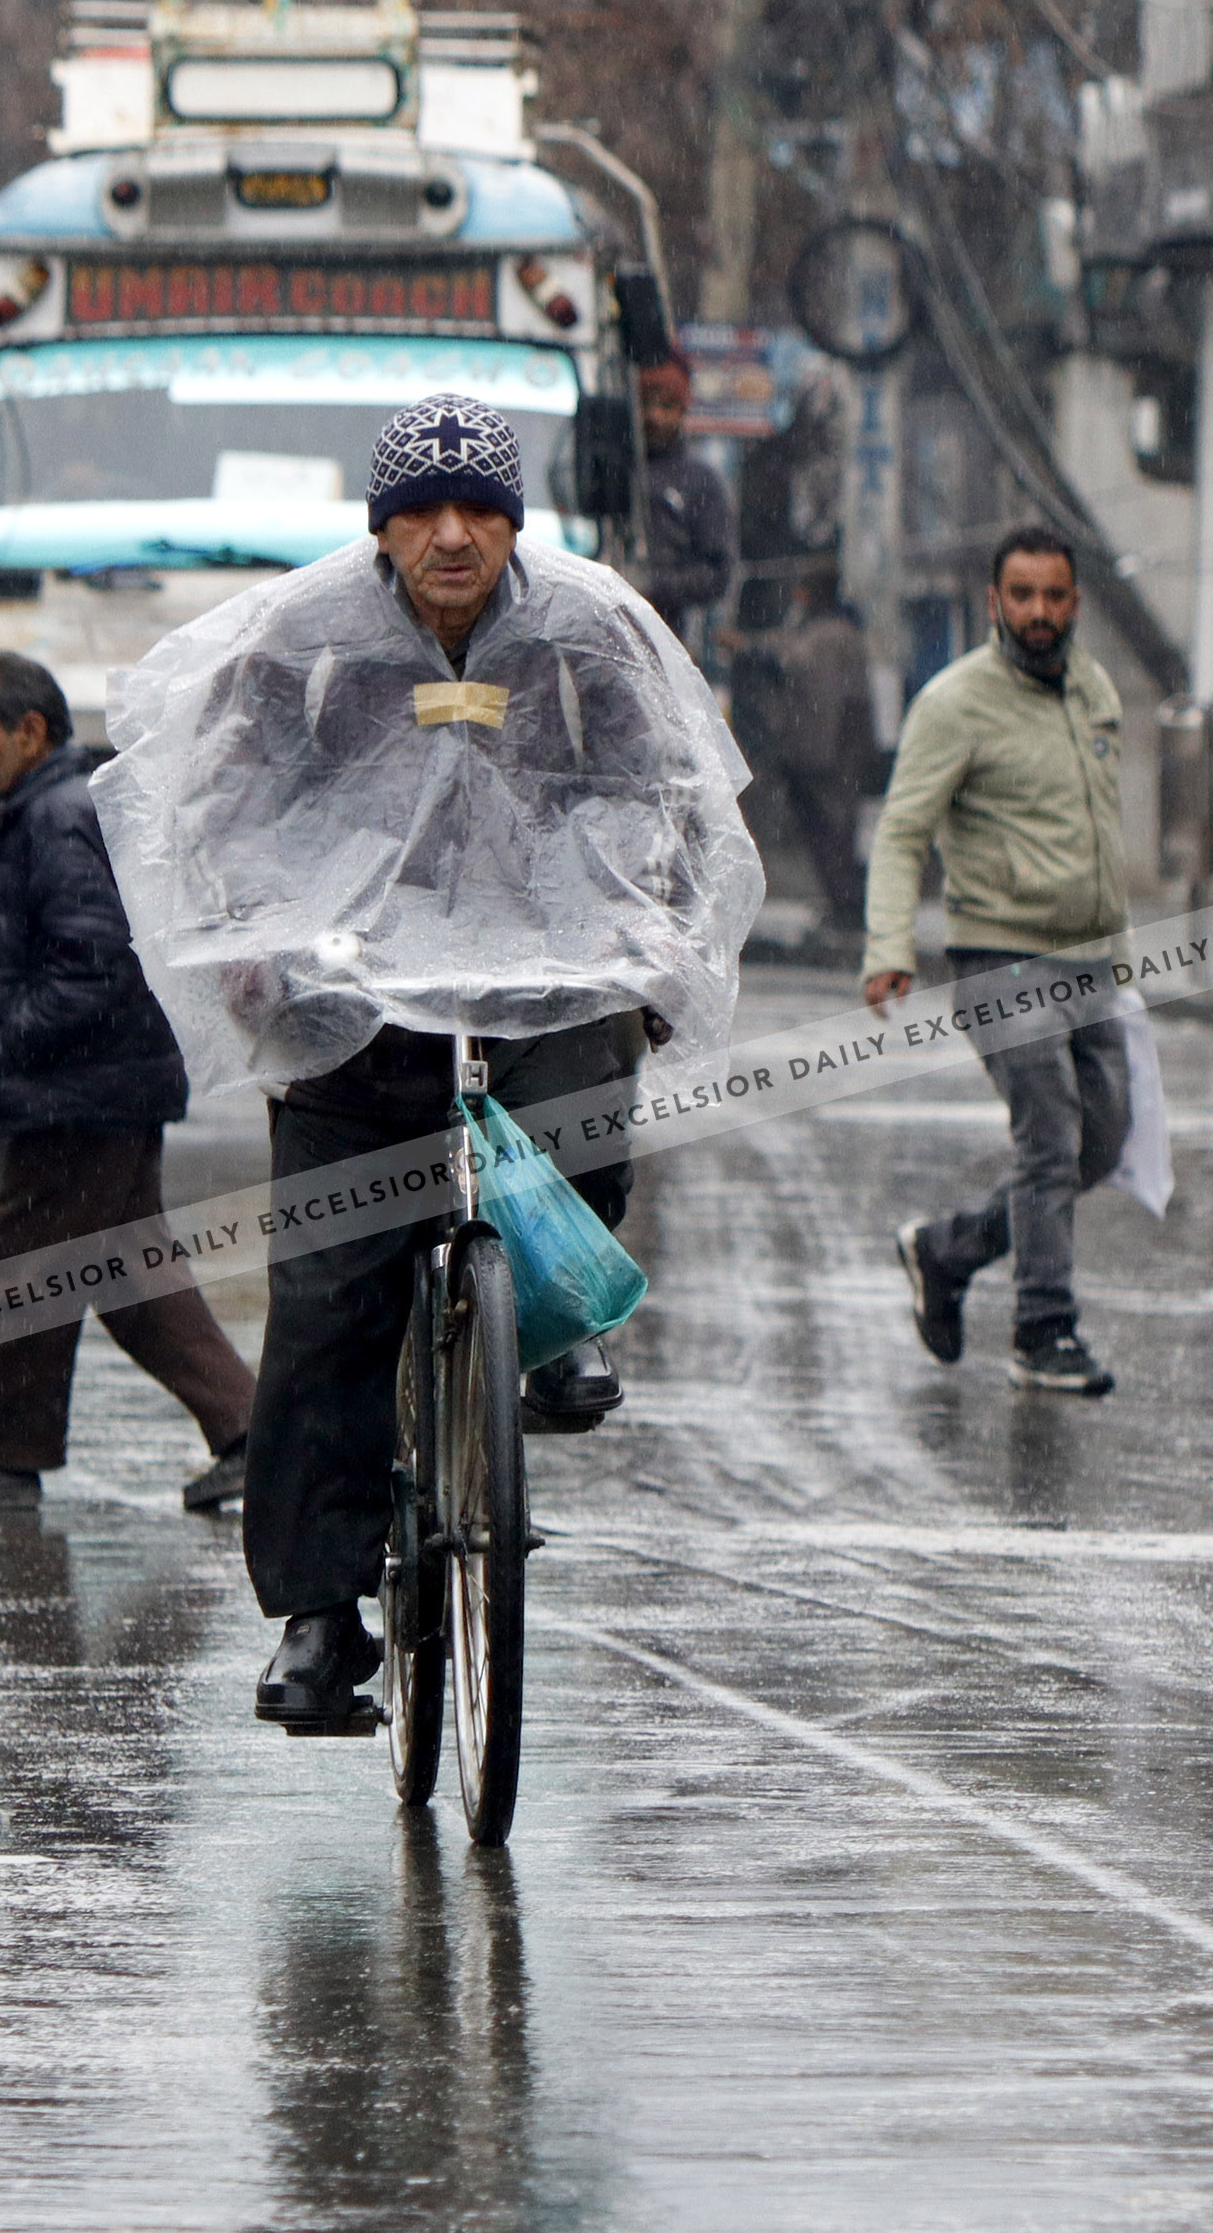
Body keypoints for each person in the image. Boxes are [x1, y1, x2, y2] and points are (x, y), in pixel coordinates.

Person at [91, 393, 761, 1729]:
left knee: (575, 1133)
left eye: (480, 510)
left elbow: (672, 791)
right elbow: (218, 798)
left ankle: (549, 1324)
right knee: (329, 1290)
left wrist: (658, 933)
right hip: (354, 984)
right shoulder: (306, 638)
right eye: (424, 512)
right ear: (382, 526)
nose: (453, 536)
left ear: (514, 520)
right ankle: (320, 1616)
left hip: (544, 959)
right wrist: (252, 939)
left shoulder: (585, 629)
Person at [0, 653, 257, 1512]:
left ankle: (9, 1462)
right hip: (101, 1084)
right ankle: (250, 1433)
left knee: (20, 1261)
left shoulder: (56, 816)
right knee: (130, 1274)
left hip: (83, 1091)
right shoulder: (41, 810)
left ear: (30, 732)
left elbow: (94, 961)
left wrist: (16, 1038)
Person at [864, 527, 1129, 1396]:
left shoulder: (1093, 689)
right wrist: (888, 948)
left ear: (1075, 602)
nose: (1040, 613)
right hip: (998, 953)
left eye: (1055, 596)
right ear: (994, 603)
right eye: (1022, 596)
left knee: (1100, 1143)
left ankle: (947, 1252)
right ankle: (1044, 1326)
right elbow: (903, 832)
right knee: (1050, 1133)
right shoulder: (953, 703)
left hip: (1091, 958)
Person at [722, 560, 879, 936]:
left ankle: (847, 908)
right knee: (830, 833)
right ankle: (844, 905)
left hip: (829, 758)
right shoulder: (829, 632)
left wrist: (811, 756)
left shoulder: (830, 636)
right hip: (833, 755)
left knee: (832, 832)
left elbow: (805, 676)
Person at [633, 356, 736, 654]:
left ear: (682, 410)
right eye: (645, 404)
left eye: (667, 406)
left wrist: (653, 585)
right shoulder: (609, 465)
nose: (654, 416)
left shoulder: (699, 482)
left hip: (665, 640)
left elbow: (719, 573)